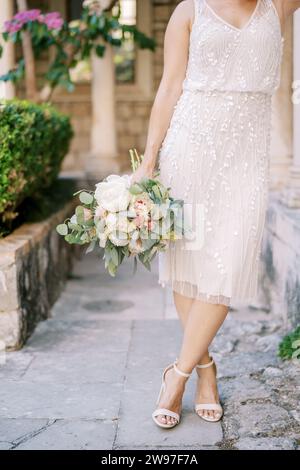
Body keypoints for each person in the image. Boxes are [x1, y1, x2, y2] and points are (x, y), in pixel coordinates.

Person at [131, 0, 300, 429]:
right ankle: (205, 369)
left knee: (226, 264)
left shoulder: (277, 6)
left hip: (246, 156)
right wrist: (149, 163)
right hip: (190, 148)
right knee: (190, 263)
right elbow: (170, 87)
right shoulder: (190, 11)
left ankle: (177, 374)